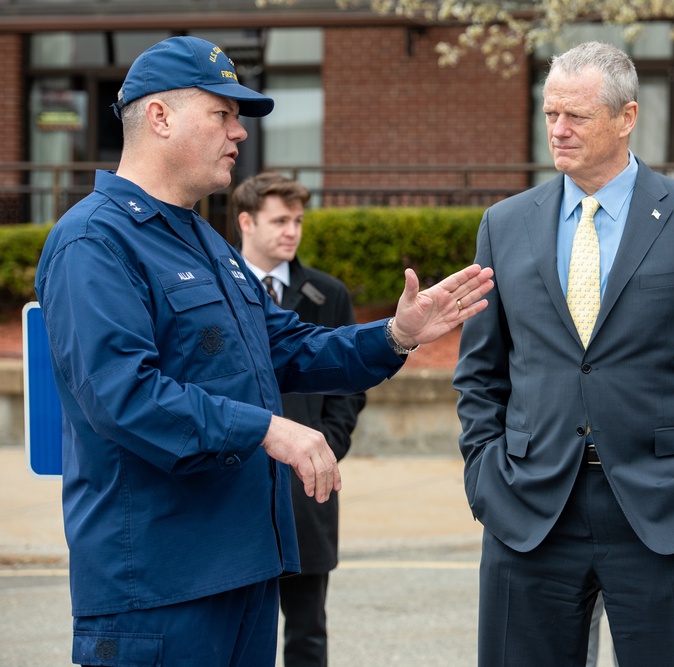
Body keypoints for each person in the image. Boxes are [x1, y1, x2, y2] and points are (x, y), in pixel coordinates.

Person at [34, 36, 493, 667]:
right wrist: (269, 430)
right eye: (222, 113)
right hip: (160, 591)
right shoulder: (93, 242)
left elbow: (283, 345)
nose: (239, 134)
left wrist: (396, 335)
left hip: (244, 572)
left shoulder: (203, 238)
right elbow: (124, 397)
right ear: (160, 117)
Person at [453, 40, 674, 666]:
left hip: (663, 509)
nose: (558, 130)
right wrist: (484, 473)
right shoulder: (504, 224)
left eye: (576, 116)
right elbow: (481, 370)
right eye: (550, 113)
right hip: (528, 508)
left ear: (627, 117)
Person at [232, 172, 363, 667]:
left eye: (299, 221)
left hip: (308, 490)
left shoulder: (326, 294)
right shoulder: (215, 287)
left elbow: (349, 388)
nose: (292, 231)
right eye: (280, 220)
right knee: (239, 627)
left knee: (308, 631)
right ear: (246, 221)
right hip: (236, 482)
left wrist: (327, 446)